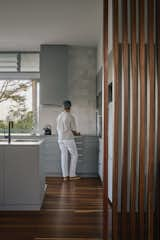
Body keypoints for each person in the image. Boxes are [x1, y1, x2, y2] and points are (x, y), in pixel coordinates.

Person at [56, 100, 80, 181]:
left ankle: (65, 176)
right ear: (70, 106)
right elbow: (73, 130)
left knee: (64, 156)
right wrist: (77, 133)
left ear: (63, 107)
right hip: (68, 138)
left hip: (60, 139)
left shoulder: (59, 116)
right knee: (75, 155)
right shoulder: (70, 116)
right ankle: (72, 175)